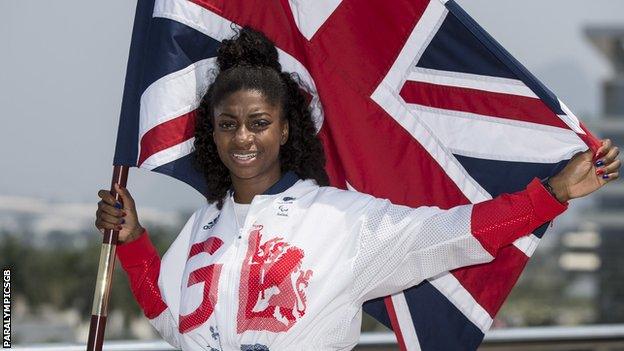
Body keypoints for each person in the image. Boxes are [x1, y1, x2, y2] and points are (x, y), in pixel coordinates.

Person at [95, 27, 621, 351]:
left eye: (258, 122)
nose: (243, 138)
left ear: (285, 129)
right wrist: (135, 239)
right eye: (227, 124)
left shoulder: (341, 220)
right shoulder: (201, 227)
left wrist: (550, 194)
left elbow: (451, 235)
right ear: (211, 132)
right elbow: (168, 317)